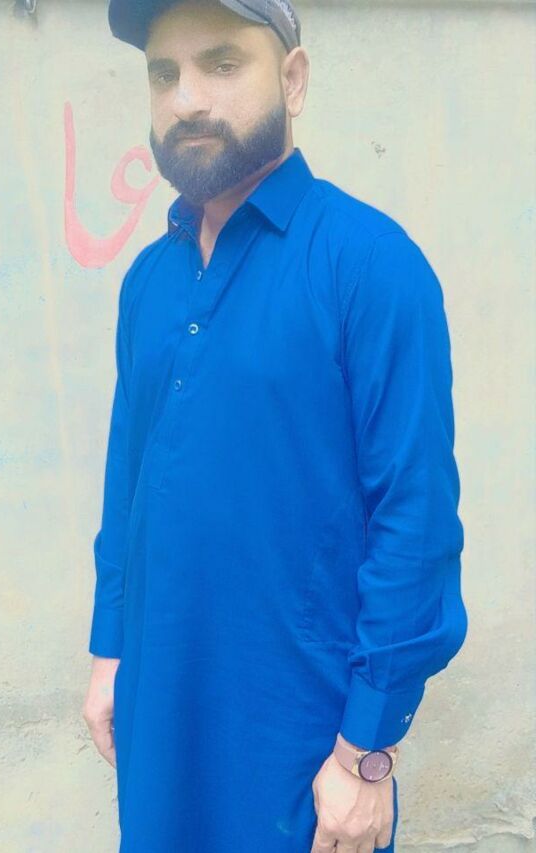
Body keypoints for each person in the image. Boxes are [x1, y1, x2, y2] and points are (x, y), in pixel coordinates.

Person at [82, 1, 468, 851]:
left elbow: (415, 524)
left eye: (222, 64)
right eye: (163, 73)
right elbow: (128, 482)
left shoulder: (370, 265)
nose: (186, 97)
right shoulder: (149, 281)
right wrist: (111, 649)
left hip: (302, 744)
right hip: (159, 716)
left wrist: (365, 754)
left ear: (292, 80)